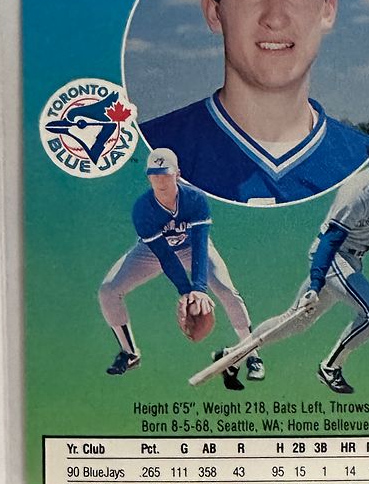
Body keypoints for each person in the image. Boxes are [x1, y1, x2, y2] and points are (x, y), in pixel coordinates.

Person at [140, 0, 367, 205]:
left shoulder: (364, 162)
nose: (275, 17)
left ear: (328, 11)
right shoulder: (153, 149)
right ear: (214, 13)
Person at [198, 125, 369, 393]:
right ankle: (331, 368)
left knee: (295, 321)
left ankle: (232, 357)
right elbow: (329, 241)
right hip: (332, 258)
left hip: (352, 260)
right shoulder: (357, 192)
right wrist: (315, 285)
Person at [99, 148, 264, 388]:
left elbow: (200, 244)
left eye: (165, 174)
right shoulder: (143, 208)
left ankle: (251, 354)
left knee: (226, 290)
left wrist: (199, 288)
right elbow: (165, 256)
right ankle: (129, 352)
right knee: (108, 290)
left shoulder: (195, 198)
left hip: (192, 248)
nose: (160, 180)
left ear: (177, 174)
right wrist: (186, 291)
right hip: (152, 252)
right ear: (148, 177)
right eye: (154, 174)